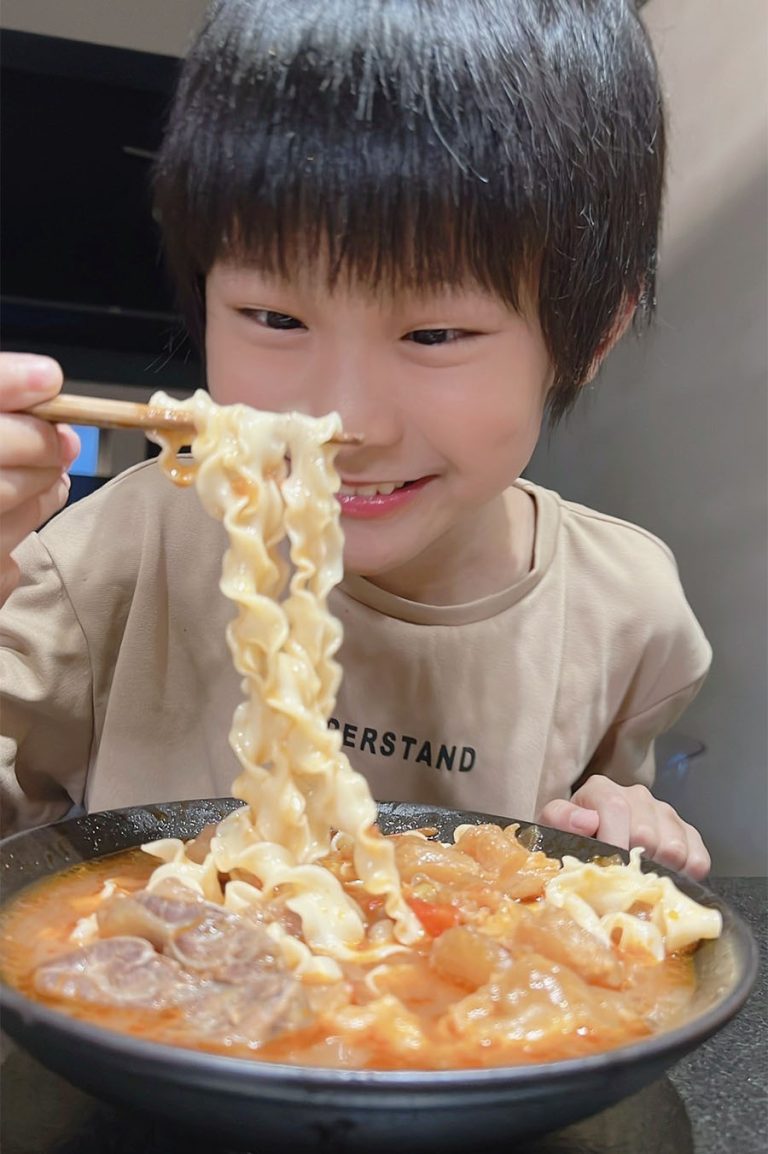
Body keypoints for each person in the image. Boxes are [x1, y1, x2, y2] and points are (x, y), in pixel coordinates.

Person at [0, 0, 712, 876]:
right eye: (274, 317)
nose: (345, 424)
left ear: (593, 334)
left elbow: (600, 850)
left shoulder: (627, 615)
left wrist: (623, 829)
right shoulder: (118, 550)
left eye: (434, 334)